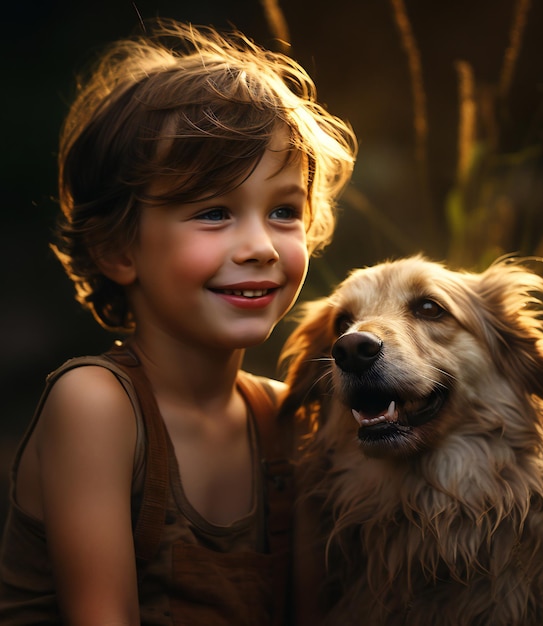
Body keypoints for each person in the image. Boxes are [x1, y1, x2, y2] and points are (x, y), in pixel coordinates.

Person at [0, 17, 356, 625]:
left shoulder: (285, 420)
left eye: (283, 211)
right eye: (215, 212)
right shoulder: (96, 405)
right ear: (119, 249)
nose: (260, 246)